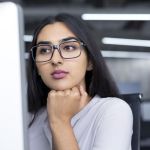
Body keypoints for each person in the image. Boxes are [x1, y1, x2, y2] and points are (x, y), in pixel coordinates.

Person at [27, 13, 133, 150]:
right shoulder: (29, 120)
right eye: (45, 50)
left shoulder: (113, 111)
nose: (55, 59)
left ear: (90, 62)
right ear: (37, 68)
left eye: (68, 47)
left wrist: (60, 122)